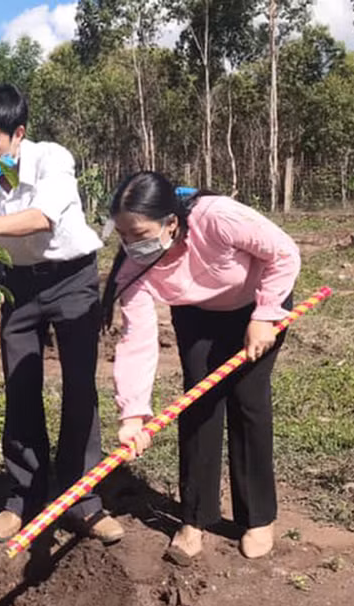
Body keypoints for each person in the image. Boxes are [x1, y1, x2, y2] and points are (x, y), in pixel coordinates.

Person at [0, 83, 123, 544]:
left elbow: (43, 217)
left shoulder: (52, 160)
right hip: (18, 285)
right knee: (20, 385)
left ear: (17, 133)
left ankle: (82, 499)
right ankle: (23, 495)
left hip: (72, 279)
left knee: (80, 386)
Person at [104, 172, 300, 564]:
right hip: (196, 317)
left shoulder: (218, 217)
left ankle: (257, 518)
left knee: (249, 403)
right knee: (200, 407)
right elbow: (137, 341)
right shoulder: (134, 269)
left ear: (171, 222)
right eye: (122, 234)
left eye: (139, 232)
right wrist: (134, 413)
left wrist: (265, 315)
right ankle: (194, 517)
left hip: (257, 306)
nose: (130, 244)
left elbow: (283, 253)